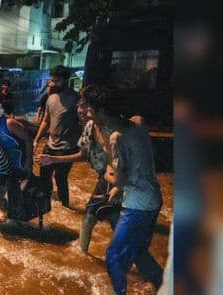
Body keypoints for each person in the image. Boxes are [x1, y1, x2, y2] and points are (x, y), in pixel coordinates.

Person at [37, 86, 163, 277]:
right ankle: (82, 257)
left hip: (129, 188)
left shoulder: (123, 129)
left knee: (128, 238)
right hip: (108, 180)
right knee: (89, 217)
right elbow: (84, 155)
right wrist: (54, 159)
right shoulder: (90, 128)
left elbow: (134, 162)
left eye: (85, 107)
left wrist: (118, 186)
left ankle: (148, 279)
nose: (80, 111)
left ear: (100, 111)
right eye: (80, 107)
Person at [85, 86, 164, 295]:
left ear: (101, 111)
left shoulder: (116, 138)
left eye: (90, 109)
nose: (86, 113)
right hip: (153, 198)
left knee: (114, 256)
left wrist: (106, 173)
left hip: (137, 205)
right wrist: (119, 187)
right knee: (138, 251)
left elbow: (117, 178)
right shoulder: (138, 122)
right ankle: (164, 286)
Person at [33, 66, 80, 208]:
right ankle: (46, 207)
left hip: (67, 147)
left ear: (66, 80)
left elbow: (83, 122)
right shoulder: (51, 98)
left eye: (57, 81)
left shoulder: (76, 99)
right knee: (44, 176)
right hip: (50, 144)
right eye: (52, 80)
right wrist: (36, 139)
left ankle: (65, 206)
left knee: (60, 178)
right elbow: (46, 121)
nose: (53, 84)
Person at [0, 100, 34, 224]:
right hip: (5, 165)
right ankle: (6, 216)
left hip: (20, 164)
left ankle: (19, 222)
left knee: (17, 194)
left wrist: (29, 162)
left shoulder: (10, 124)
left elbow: (28, 140)